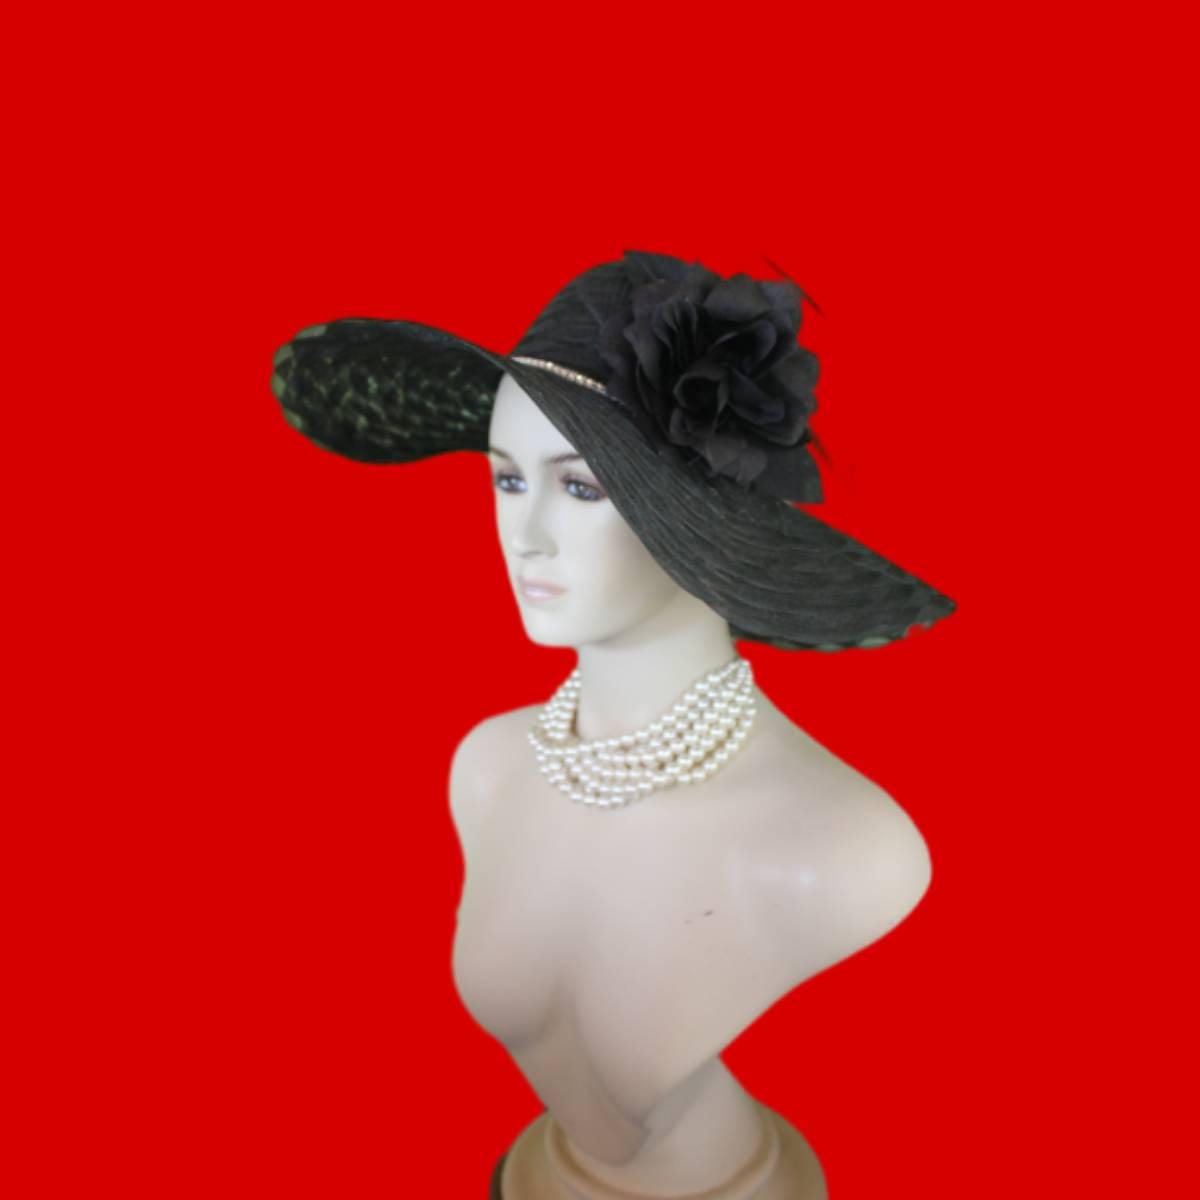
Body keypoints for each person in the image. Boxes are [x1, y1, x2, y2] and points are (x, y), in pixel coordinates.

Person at [271, 249, 957, 1197]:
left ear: (696, 513)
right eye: (508, 480)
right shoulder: (489, 767)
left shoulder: (847, 850)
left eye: (582, 487)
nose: (525, 537)